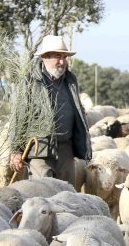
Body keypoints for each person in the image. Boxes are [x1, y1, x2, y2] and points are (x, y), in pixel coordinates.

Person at [10, 35, 91, 186]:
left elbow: (78, 111)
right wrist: (16, 150)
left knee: (67, 196)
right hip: (40, 149)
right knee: (43, 194)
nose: (62, 61)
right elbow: (18, 116)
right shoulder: (30, 81)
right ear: (45, 57)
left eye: (64, 57)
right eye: (58, 56)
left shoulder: (70, 81)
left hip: (66, 149)